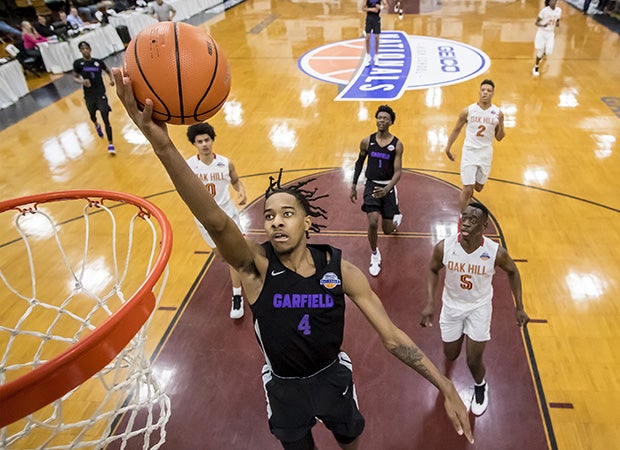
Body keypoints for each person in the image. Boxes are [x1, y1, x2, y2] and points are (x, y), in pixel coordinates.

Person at [113, 67, 474, 449]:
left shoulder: (341, 271)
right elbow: (216, 222)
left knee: (350, 440)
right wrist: (163, 147)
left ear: (306, 221)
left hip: (333, 377)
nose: (275, 222)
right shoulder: (255, 267)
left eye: (287, 213)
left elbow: (392, 337)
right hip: (284, 390)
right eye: (268, 215)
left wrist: (443, 382)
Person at [420, 202, 529, 416]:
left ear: (484, 225)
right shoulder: (445, 247)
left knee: (473, 359)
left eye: (473, 219)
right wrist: (430, 301)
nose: (466, 222)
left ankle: (480, 386)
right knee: (450, 354)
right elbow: (433, 270)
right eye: (465, 217)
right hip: (451, 306)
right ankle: (458, 338)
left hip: (479, 307)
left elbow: (513, 272)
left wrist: (520, 307)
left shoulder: (495, 253)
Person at [185, 122, 248, 319]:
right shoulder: (189, 166)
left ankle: (237, 294)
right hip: (204, 219)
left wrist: (242, 191)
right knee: (220, 255)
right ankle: (245, 268)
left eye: (207, 140)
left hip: (227, 213)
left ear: (212, 140)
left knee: (233, 256)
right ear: (194, 144)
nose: (204, 144)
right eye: (200, 141)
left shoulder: (225, 163)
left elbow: (236, 180)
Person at [350, 104, 403, 277]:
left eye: (385, 118)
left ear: (391, 122)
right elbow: (359, 163)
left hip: (387, 186)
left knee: (387, 229)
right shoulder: (367, 141)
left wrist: (388, 188)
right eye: (379, 117)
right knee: (373, 222)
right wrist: (353, 185)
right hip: (371, 185)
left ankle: (396, 219)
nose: (381, 120)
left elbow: (398, 172)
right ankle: (374, 254)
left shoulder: (397, 145)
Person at [444, 79, 505, 214]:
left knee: (478, 187)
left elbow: (500, 137)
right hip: (469, 152)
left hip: (485, 153)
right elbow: (456, 129)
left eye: (488, 91)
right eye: (483, 90)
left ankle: (469, 195)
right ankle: (462, 218)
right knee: (467, 187)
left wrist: (501, 123)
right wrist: (448, 147)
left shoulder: (497, 113)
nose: (485, 93)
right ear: (479, 92)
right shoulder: (468, 111)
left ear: (493, 93)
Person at [72, 41, 116, 155]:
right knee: (92, 115)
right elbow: (75, 77)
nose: (85, 50)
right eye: (82, 49)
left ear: (90, 49)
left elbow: (108, 71)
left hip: (100, 93)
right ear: (80, 51)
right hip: (89, 95)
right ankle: (96, 124)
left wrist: (112, 79)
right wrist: (82, 81)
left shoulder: (98, 62)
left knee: (105, 115)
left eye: (86, 48)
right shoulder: (78, 63)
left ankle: (111, 143)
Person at [532, 0, 561, 76]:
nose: (553, 2)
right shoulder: (544, 11)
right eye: (552, 1)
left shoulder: (559, 11)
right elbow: (536, 22)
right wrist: (543, 25)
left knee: (549, 51)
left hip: (550, 33)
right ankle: (536, 66)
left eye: (555, 0)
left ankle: (543, 55)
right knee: (539, 52)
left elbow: (557, 20)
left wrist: (557, 23)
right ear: (549, 2)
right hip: (542, 33)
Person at [361, 0, 387, 65]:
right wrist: (371, 9)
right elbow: (363, 8)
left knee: (377, 38)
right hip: (369, 19)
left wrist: (381, 7)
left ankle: (376, 56)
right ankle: (368, 55)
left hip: (376, 19)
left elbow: (386, 6)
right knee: (367, 37)